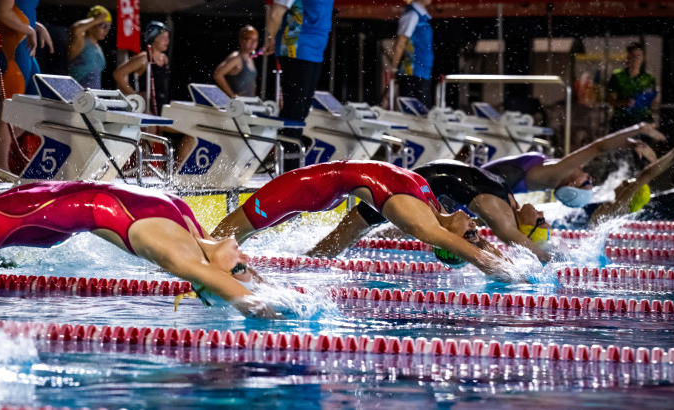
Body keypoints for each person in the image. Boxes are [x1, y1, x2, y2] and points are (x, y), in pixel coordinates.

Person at [0, 180, 283, 319]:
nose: (244, 257)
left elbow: (243, 292)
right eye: (243, 266)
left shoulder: (183, 248)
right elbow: (249, 295)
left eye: (238, 267)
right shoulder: (189, 240)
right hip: (46, 204)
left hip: (44, 214)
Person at [212, 160, 514, 280]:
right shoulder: (434, 210)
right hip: (319, 189)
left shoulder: (421, 223)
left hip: (306, 186)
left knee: (220, 237)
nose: (476, 227)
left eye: (471, 234)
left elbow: (466, 250)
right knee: (227, 239)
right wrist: (510, 262)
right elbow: (470, 245)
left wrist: (514, 278)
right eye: (476, 232)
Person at [309, 159, 552, 264]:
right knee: (351, 228)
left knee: (352, 228)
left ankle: (309, 260)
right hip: (416, 186)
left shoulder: (502, 216)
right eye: (543, 219)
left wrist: (548, 262)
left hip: (409, 190)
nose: (541, 213)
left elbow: (507, 242)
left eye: (539, 221)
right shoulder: (508, 202)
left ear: (525, 229)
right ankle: (310, 257)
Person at [481, 122, 665, 208]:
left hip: (465, 193)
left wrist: (639, 129)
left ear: (572, 185)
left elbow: (598, 148)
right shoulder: (559, 174)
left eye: (586, 183)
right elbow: (598, 148)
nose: (589, 178)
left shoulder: (553, 176)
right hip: (471, 186)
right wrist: (633, 144)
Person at [264, 0, 334, 170]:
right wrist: (270, 38)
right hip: (295, 48)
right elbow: (275, 13)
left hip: (315, 51)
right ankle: (288, 167)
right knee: (293, 111)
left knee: (302, 111)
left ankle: (291, 164)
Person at [587, 139, 674, 225]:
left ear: (629, 195)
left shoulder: (617, 208)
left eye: (628, 184)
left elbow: (646, 175)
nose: (623, 182)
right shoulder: (613, 210)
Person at [0, 0, 53, 171]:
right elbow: (2, 12)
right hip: (13, 51)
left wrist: (36, 26)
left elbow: (20, 10)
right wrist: (28, 29)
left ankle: (3, 157)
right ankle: (0, 170)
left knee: (37, 108)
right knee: (9, 113)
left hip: (26, 52)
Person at [112, 21, 170, 114]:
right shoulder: (144, 58)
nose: (167, 41)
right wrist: (135, 95)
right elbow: (118, 74)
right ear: (154, 38)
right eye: (163, 38)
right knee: (151, 128)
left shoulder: (164, 59)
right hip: (146, 107)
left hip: (161, 105)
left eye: (168, 38)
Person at [390, 0, 434, 107]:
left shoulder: (422, 16)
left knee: (422, 113)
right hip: (412, 73)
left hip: (423, 72)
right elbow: (400, 44)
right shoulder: (412, 15)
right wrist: (394, 68)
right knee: (413, 114)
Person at [607, 42, 658, 132]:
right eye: (633, 56)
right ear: (628, 57)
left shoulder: (648, 78)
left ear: (643, 58)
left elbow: (652, 101)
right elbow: (610, 99)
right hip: (622, 120)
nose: (635, 60)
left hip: (642, 120)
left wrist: (644, 101)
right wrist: (624, 103)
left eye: (639, 56)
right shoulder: (618, 76)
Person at [68, 5, 112, 89]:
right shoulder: (80, 43)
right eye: (103, 26)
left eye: (108, 27)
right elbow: (76, 29)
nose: (106, 30)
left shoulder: (98, 47)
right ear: (91, 25)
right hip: (76, 97)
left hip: (92, 97)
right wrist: (96, 19)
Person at [214, 25, 259, 98]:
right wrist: (232, 96)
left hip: (249, 104)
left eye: (255, 40)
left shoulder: (250, 58)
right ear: (242, 40)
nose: (253, 44)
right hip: (238, 106)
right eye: (250, 40)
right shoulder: (236, 58)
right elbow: (217, 75)